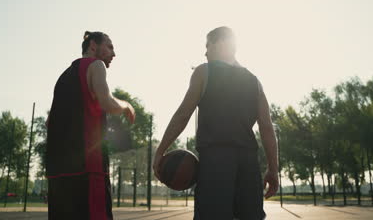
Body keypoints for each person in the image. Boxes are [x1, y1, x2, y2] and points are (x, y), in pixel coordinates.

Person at [153, 27, 278, 220]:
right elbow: (267, 128)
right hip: (249, 163)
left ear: (221, 43)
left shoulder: (204, 72)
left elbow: (183, 114)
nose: (205, 52)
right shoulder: (254, 81)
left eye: (207, 45)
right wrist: (272, 169)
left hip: (216, 161)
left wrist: (160, 150)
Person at [46, 31, 135, 220]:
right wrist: (126, 106)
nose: (114, 53)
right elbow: (107, 102)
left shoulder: (62, 78)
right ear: (93, 45)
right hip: (88, 169)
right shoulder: (96, 65)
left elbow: (49, 122)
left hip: (57, 173)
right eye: (109, 46)